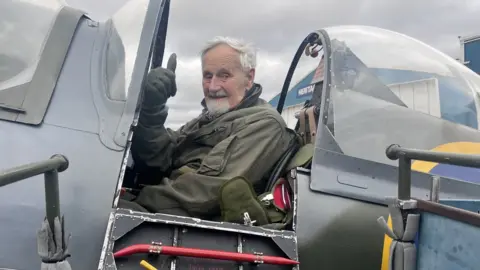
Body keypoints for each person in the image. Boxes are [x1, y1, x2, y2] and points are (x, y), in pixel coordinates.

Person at [119, 36, 295, 224]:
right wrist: (151, 111)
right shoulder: (211, 117)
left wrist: (135, 200)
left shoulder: (264, 125)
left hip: (186, 224)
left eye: (224, 75)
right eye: (207, 76)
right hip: (166, 208)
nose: (212, 87)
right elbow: (162, 159)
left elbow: (206, 193)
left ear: (249, 78)